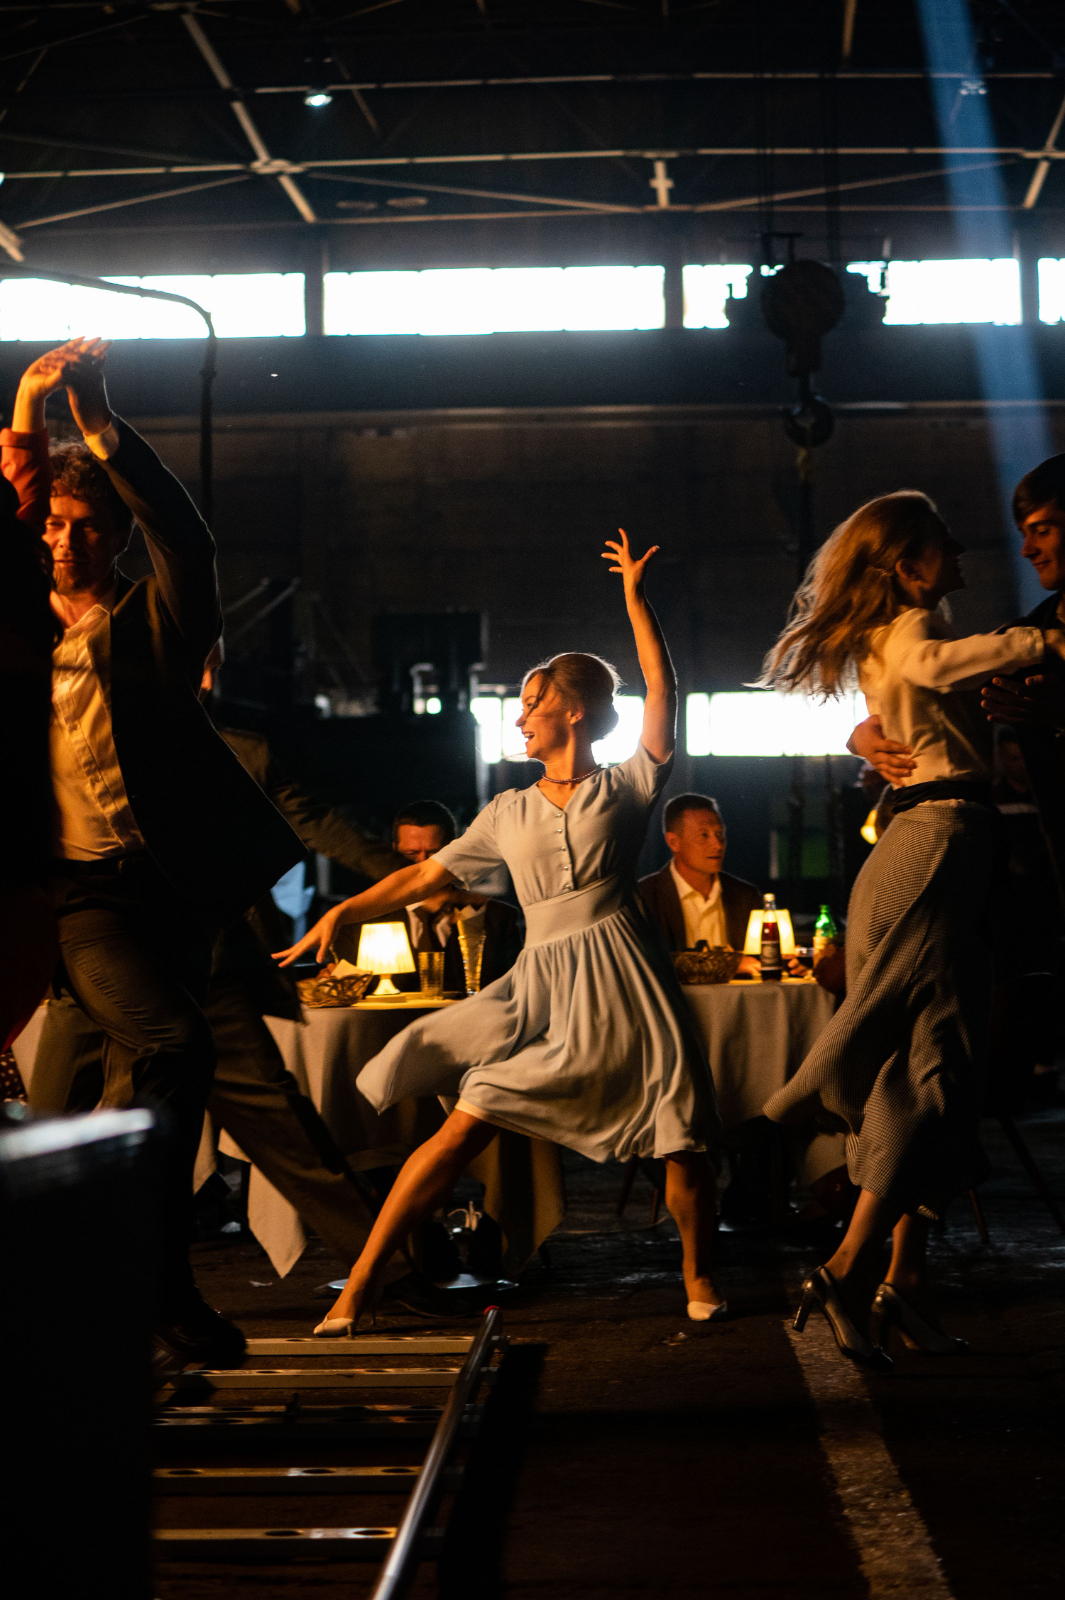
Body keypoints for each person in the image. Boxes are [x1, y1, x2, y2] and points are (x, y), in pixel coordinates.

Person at [276, 527, 724, 1329]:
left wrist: (634, 600)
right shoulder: (506, 811)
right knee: (462, 1123)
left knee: (679, 1136)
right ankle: (362, 1284)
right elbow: (424, 877)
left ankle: (698, 1274)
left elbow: (663, 691)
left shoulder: (626, 785)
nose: (519, 719)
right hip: (543, 994)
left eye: (531, 704)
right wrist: (344, 909)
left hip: (628, 984)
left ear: (572, 711)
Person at [1, 340, 303, 1366]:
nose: (66, 542)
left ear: (119, 535)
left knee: (94, 1109)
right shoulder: (16, 629)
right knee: (177, 1048)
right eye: (53, 524)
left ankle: (115, 1295)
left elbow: (188, 538)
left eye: (87, 526)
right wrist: (28, 411)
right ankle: (143, 1283)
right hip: (76, 899)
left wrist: (101, 429)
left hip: (170, 892)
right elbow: (7, 517)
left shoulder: (157, 624)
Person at [759, 488, 1065, 1371]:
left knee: (938, 1074)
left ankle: (891, 1277)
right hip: (932, 839)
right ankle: (794, 1116)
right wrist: (1046, 644)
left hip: (937, 842)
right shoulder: (911, 629)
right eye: (945, 544)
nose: (964, 552)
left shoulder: (893, 634)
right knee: (914, 1060)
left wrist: (864, 736)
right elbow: (930, 665)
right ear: (907, 566)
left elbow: (897, 698)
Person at [28, 644, 407, 1266]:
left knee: (283, 1126)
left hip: (203, 966)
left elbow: (319, 824)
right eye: (193, 662)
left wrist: (419, 880)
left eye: (213, 666)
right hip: (95, 958)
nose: (205, 680)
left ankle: (386, 1267)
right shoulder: (61, 743)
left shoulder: (242, 753)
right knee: (45, 1132)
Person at [336, 799, 524, 993]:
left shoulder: (497, 919)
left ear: (455, 850)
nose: (423, 863)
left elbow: (518, 988)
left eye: (435, 854)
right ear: (394, 851)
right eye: (411, 853)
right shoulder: (360, 922)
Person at [637, 793, 761, 974]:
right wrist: (728, 964)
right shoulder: (645, 897)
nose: (717, 845)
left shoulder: (745, 896)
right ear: (673, 842)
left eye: (719, 834)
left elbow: (762, 958)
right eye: (704, 835)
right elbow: (643, 963)